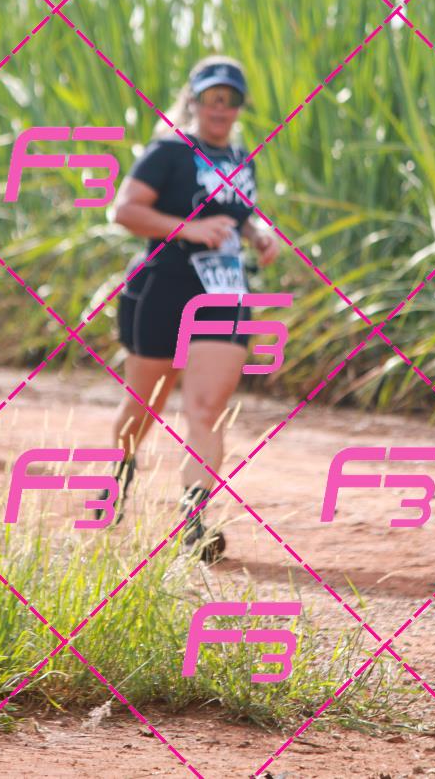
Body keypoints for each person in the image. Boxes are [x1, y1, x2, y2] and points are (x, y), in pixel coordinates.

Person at [101, 55, 280, 561]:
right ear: (195, 101)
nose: (221, 108)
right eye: (212, 98)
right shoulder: (169, 152)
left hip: (223, 293)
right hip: (164, 288)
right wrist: (189, 229)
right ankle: (119, 474)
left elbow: (236, 214)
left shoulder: (242, 158)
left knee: (206, 408)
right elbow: (124, 210)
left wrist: (258, 233)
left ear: (240, 106)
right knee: (145, 404)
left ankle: (194, 522)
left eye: (230, 99)